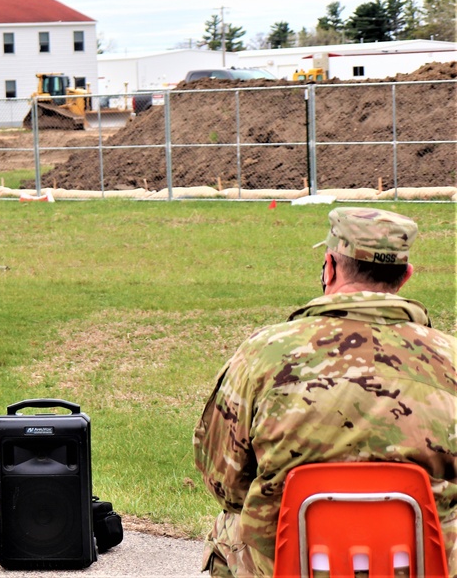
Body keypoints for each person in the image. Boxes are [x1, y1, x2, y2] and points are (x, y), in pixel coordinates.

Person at [193, 207, 457, 577]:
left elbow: (224, 480)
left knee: (229, 525)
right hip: (419, 565)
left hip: (286, 566)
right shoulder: (450, 358)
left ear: (329, 267)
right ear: (405, 276)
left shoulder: (263, 352)